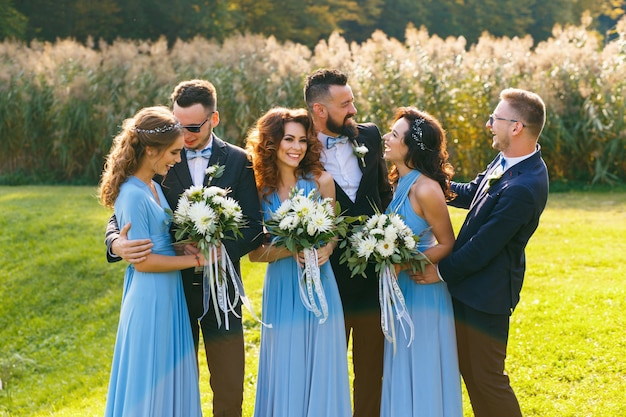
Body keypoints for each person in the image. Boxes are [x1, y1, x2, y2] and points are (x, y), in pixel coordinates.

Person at [104, 79, 263, 417]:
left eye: (192, 127)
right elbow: (124, 212)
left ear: (213, 119)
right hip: (171, 292)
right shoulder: (159, 153)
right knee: (170, 384)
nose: (185, 135)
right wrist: (116, 243)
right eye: (179, 126)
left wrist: (219, 250)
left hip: (222, 289)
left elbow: (252, 224)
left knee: (230, 384)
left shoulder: (238, 161)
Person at [416, 88, 549, 416]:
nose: (490, 124)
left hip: (486, 295)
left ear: (516, 127)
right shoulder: (508, 160)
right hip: (470, 288)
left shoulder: (524, 187)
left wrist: (439, 271)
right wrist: (429, 183)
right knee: (473, 374)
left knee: (487, 378)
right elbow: (476, 192)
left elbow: (482, 249)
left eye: (495, 119)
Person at [245, 107, 352, 417]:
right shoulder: (259, 189)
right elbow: (254, 254)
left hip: (321, 282)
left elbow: (331, 233)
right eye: (288, 139)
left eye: (302, 140)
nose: (296, 147)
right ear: (271, 143)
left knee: (322, 360)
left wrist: (328, 249)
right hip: (281, 287)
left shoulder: (322, 182)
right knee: (285, 362)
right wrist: (290, 250)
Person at [98, 106, 202, 416]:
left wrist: (184, 249)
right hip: (150, 296)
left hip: (168, 293)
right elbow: (143, 262)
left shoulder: (154, 187)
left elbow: (163, 242)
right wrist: (196, 261)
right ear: (150, 150)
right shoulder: (132, 194)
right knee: (150, 377)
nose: (177, 159)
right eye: (173, 152)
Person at [303, 68, 392, 417]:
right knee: (326, 367)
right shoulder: (298, 147)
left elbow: (383, 192)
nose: (353, 109)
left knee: (372, 368)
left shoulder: (369, 134)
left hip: (372, 274)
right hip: (327, 276)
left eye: (352, 100)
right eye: (345, 104)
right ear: (320, 110)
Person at [380, 107, 462, 417]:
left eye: (394, 135)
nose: (387, 138)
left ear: (411, 148)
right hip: (400, 290)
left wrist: (407, 263)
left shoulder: (426, 188)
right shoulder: (399, 183)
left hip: (423, 292)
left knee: (422, 363)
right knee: (402, 363)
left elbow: (447, 243)